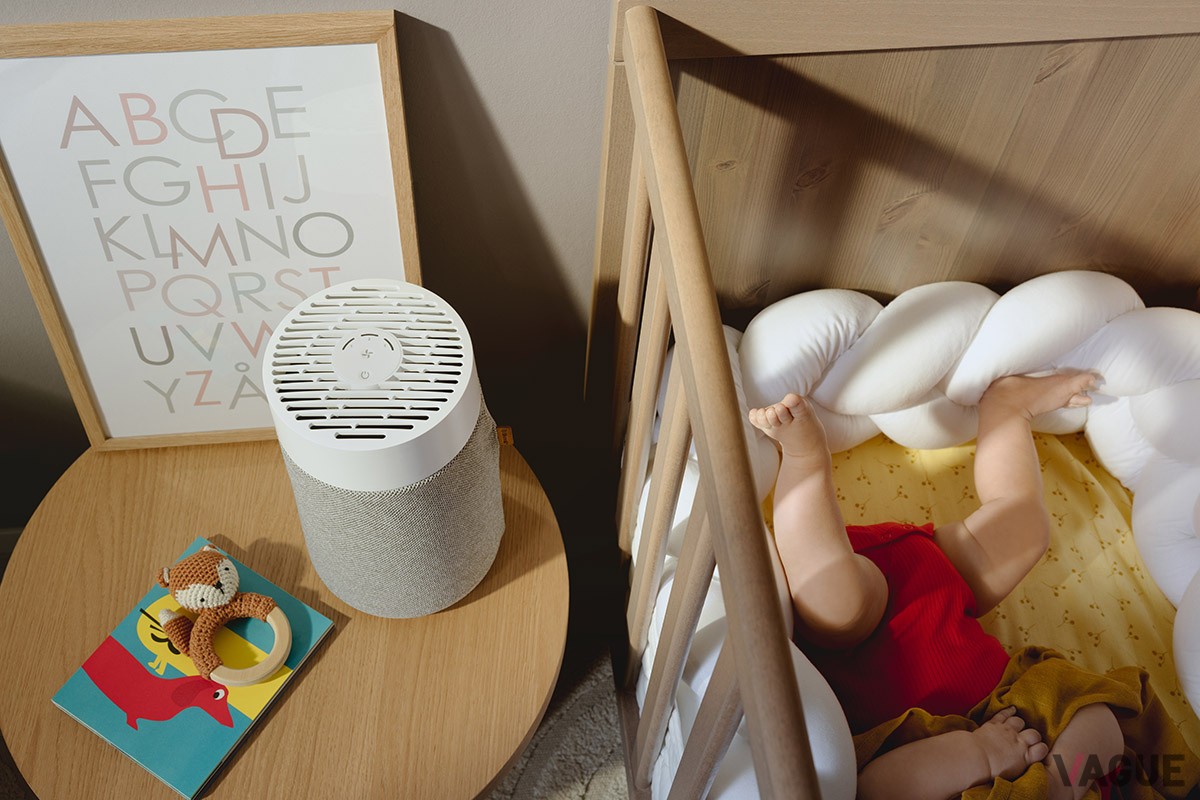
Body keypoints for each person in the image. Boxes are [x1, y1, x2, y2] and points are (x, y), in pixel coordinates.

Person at [748, 371, 1199, 800]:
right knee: (1024, 527)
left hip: (853, 642)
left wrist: (983, 754)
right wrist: (1059, 786)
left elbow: (876, 789)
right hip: (987, 667)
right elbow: (1107, 724)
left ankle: (804, 462)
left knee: (837, 605)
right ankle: (1008, 409)